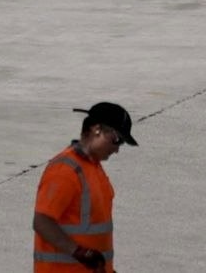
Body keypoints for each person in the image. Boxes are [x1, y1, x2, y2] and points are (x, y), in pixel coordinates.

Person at [31, 101, 132, 269]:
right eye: (116, 139)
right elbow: (42, 221)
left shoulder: (94, 169)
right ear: (96, 129)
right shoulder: (65, 170)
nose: (117, 149)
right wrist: (79, 252)